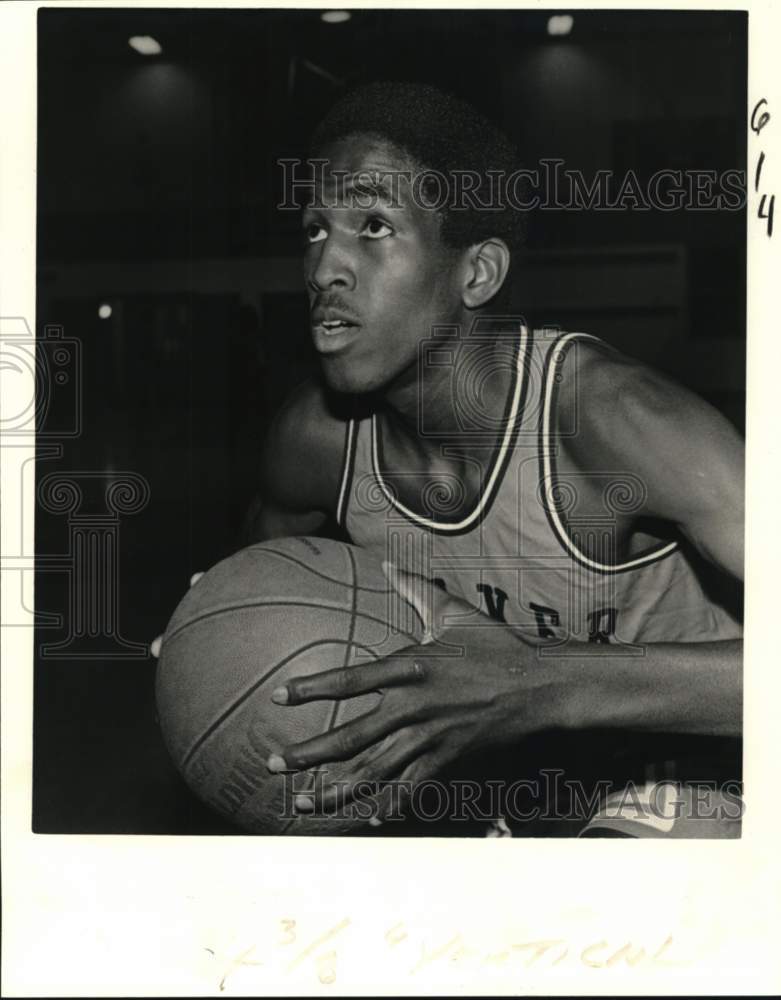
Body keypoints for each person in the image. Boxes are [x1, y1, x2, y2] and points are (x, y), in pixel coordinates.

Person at [161, 82, 745, 836]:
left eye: (372, 225)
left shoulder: (616, 422)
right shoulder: (315, 444)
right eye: (313, 230)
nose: (324, 268)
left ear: (476, 273)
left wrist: (537, 681)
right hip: (507, 790)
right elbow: (262, 621)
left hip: (705, 770)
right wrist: (212, 640)